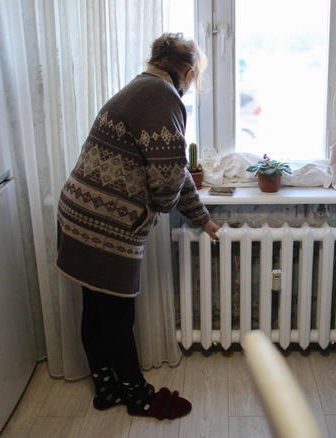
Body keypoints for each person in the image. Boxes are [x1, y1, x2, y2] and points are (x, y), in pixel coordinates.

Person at [56, 32, 219, 420]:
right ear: (189, 73)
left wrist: (202, 219)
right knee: (117, 317)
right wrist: (161, 208)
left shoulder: (143, 86)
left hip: (78, 214)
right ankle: (138, 396)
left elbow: (173, 170)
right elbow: (169, 179)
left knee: (95, 310)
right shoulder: (164, 97)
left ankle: (105, 389)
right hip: (106, 225)